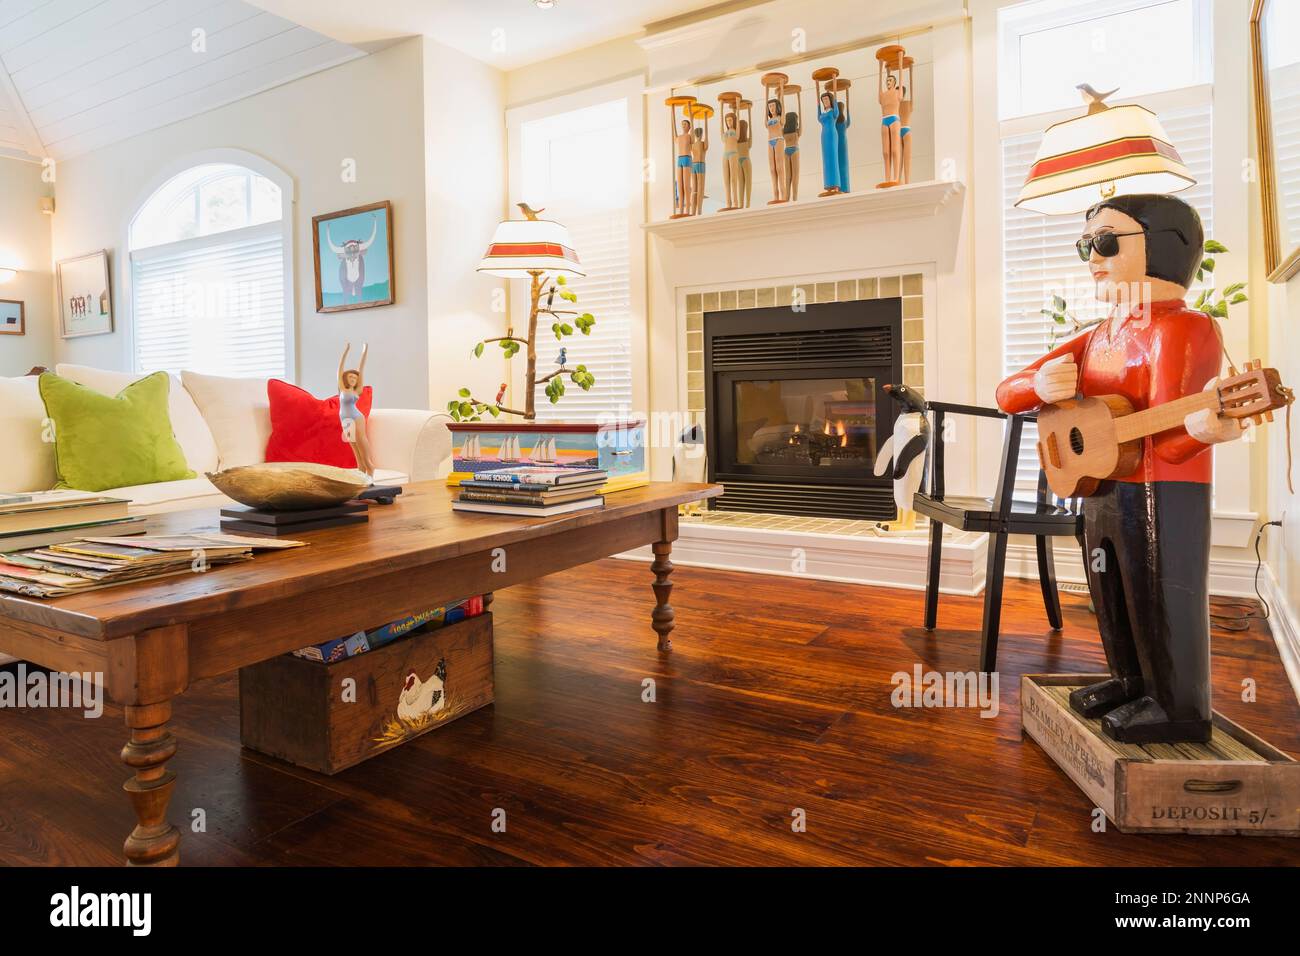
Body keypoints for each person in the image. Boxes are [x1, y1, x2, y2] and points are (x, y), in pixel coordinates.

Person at [996, 194, 1236, 744]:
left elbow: (1172, 444)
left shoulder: (1183, 328)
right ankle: (1130, 680)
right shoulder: (1101, 333)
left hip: (1162, 489)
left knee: (1160, 595)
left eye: (1105, 242)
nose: (1092, 257)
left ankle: (1178, 704)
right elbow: (1007, 392)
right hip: (1102, 483)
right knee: (1109, 591)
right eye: (1087, 245)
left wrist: (1203, 428)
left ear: (1164, 247)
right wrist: (1038, 386)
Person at [338, 342, 373, 477]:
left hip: (356, 417)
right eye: (351, 376)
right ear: (346, 378)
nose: (353, 379)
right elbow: (339, 369)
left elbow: (361, 369)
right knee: (353, 443)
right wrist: (346, 351)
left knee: (361, 440)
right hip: (344, 418)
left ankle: (369, 466)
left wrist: (364, 352)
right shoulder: (342, 388)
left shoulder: (357, 391)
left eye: (355, 378)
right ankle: (361, 468)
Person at [878, 72, 903, 184]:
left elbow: (901, 77)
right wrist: (880, 66)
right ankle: (887, 178)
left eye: (890, 81)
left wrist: (900, 60)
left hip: (894, 119)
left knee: (894, 150)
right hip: (884, 120)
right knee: (886, 152)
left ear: (894, 82)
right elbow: (879, 86)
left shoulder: (897, 92)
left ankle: (896, 177)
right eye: (887, 81)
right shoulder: (882, 95)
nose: (888, 82)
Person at [817, 91, 840, 197]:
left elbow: (836, 112)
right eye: (823, 100)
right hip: (824, 135)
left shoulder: (833, 111)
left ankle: (835, 184)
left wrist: (834, 80)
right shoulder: (822, 113)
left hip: (832, 134)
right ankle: (828, 185)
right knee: (826, 160)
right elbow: (818, 115)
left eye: (826, 99)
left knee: (833, 158)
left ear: (830, 100)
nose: (825, 101)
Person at [782, 110, 802, 202]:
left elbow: (781, 121)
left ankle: (787, 198)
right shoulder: (797, 130)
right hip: (794, 149)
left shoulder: (784, 131)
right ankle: (794, 198)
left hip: (786, 150)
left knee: (788, 177)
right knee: (795, 176)